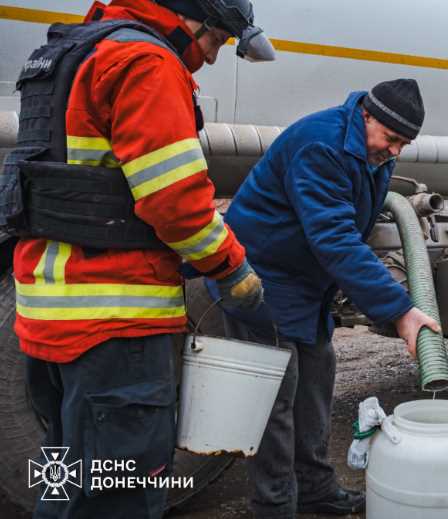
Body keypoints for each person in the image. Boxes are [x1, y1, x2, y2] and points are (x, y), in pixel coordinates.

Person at [6, 1, 274, 517]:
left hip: (48, 320)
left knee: (64, 480)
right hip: (114, 329)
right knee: (118, 495)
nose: (213, 58)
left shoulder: (70, 53)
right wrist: (232, 268)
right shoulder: (146, 62)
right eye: (217, 41)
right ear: (190, 18)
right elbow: (175, 201)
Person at [209, 78, 440, 518]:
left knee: (315, 382)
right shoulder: (323, 144)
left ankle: (315, 489)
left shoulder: (372, 150)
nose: (394, 151)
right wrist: (399, 309)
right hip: (259, 278)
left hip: (303, 283)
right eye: (391, 139)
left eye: (403, 144)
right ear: (367, 115)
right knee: (275, 397)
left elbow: (350, 227)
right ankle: (275, 505)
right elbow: (334, 237)